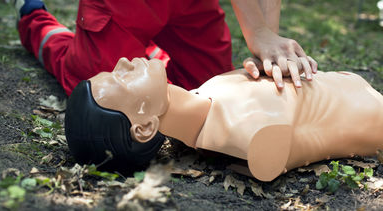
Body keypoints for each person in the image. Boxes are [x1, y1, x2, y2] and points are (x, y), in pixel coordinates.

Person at [8, 0, 317, 97]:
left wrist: (268, 47)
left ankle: (149, 55)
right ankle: (36, 20)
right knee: (105, 90)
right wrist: (257, 31)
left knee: (212, 90)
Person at [65, 57, 383, 181]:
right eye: (121, 79)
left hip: (352, 89)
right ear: (145, 126)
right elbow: (277, 152)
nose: (123, 61)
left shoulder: (205, 97)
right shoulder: (247, 133)